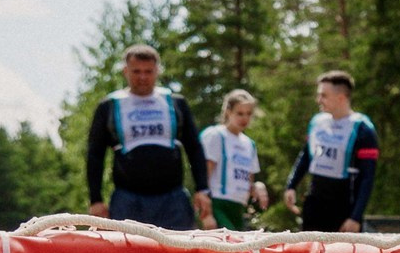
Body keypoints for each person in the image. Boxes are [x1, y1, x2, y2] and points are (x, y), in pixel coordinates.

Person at [85, 44, 210, 230]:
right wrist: (96, 199)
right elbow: (95, 154)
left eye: (148, 71)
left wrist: (202, 189)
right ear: (125, 71)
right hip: (127, 199)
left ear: (157, 71)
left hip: (173, 199)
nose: (142, 77)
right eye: (136, 71)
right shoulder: (110, 106)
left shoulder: (175, 103)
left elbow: (194, 147)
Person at [282, 71, 378, 233]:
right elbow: (306, 155)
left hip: (344, 206)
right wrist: (291, 185)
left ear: (341, 97)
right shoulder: (317, 122)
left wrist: (355, 217)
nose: (318, 100)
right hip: (315, 202)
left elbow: (367, 178)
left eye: (323, 95)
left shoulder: (363, 129)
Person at [198, 89, 270, 230]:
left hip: (238, 206)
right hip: (218, 203)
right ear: (228, 112)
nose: (244, 118)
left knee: (238, 249)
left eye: (249, 114)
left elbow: (249, 182)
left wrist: (257, 187)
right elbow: (204, 174)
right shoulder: (216, 135)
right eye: (240, 113)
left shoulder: (249, 144)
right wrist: (206, 213)